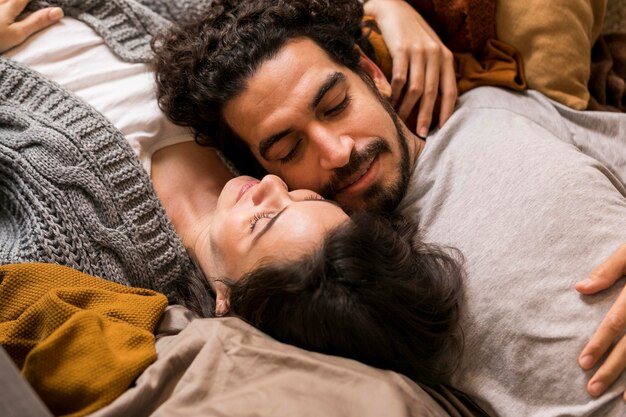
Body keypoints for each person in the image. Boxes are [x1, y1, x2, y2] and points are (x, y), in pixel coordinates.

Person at [152, 0, 626, 415]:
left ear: (372, 74)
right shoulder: (344, 288)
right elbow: (173, 162)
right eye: (288, 149)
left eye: (335, 105)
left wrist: (383, 6)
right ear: (261, 172)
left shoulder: (492, 108)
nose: (337, 152)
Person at [0, 0, 467, 389]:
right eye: (308, 199)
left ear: (230, 303)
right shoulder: (251, 135)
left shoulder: (79, 267)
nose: (272, 187)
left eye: (263, 221)